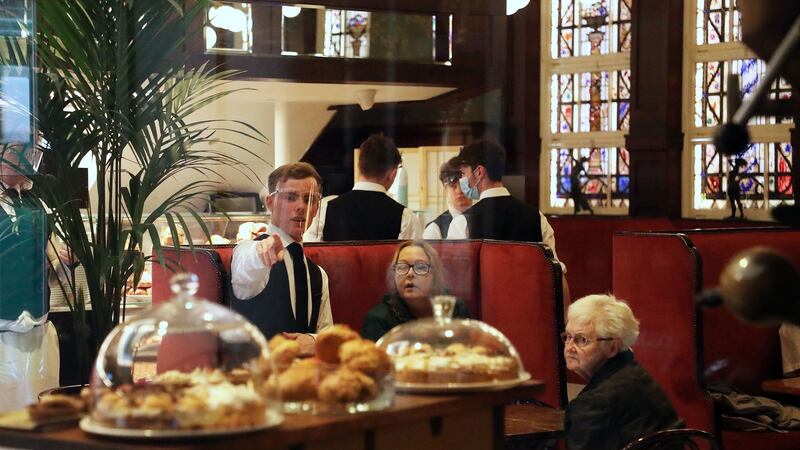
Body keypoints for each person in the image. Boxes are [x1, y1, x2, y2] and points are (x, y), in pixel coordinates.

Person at [231, 162, 332, 354]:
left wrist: (313, 340)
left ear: (316, 208)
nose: (301, 206)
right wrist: (260, 254)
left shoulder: (319, 275)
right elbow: (246, 271)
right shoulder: (247, 250)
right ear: (270, 203)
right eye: (291, 197)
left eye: (308, 199)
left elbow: (327, 334)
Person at [563, 294, 679, 450]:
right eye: (568, 337)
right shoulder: (636, 375)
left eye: (582, 339)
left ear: (612, 348)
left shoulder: (595, 404)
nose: (569, 347)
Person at [446, 140, 566, 272]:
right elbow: (555, 274)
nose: (462, 180)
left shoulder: (462, 222)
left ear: (479, 172)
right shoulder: (536, 217)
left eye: (463, 174)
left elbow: (457, 277)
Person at [303, 134, 422, 242]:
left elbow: (312, 254)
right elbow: (412, 260)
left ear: (359, 166)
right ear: (393, 174)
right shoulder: (405, 217)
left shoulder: (325, 208)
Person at [361, 240, 469, 341]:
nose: (410, 274)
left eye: (420, 267)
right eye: (402, 267)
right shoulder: (378, 320)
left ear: (435, 274)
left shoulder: (456, 310)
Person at [423, 157, 472, 239]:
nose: (459, 191)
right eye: (453, 186)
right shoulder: (434, 229)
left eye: (463, 185)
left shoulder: (484, 219)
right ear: (445, 189)